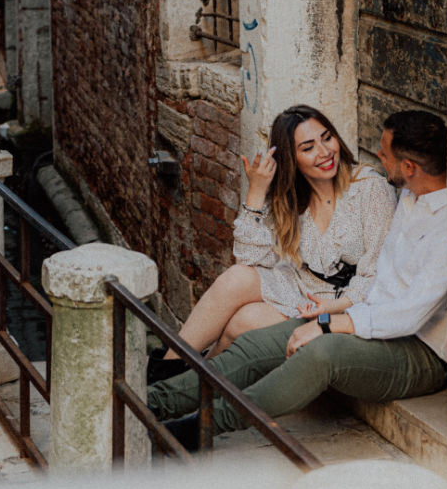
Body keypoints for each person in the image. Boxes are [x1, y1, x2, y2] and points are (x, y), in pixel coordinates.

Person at [147, 110, 447, 445]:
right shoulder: (410, 193)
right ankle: (153, 401)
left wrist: (328, 322)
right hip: (360, 316)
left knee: (321, 354)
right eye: (308, 147)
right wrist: (330, 316)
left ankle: (200, 428)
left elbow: (407, 315)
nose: (377, 158)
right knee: (255, 345)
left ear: (409, 167)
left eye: (384, 154)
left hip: (418, 350)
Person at [151, 105, 396, 377]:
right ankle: (171, 374)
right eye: (308, 147)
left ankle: (180, 390)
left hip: (348, 305)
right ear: (292, 158)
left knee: (240, 323)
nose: (325, 152)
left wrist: (332, 307)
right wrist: (256, 191)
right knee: (237, 277)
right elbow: (251, 261)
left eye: (327, 138)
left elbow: (377, 273)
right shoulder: (289, 196)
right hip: (301, 290)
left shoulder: (369, 188)